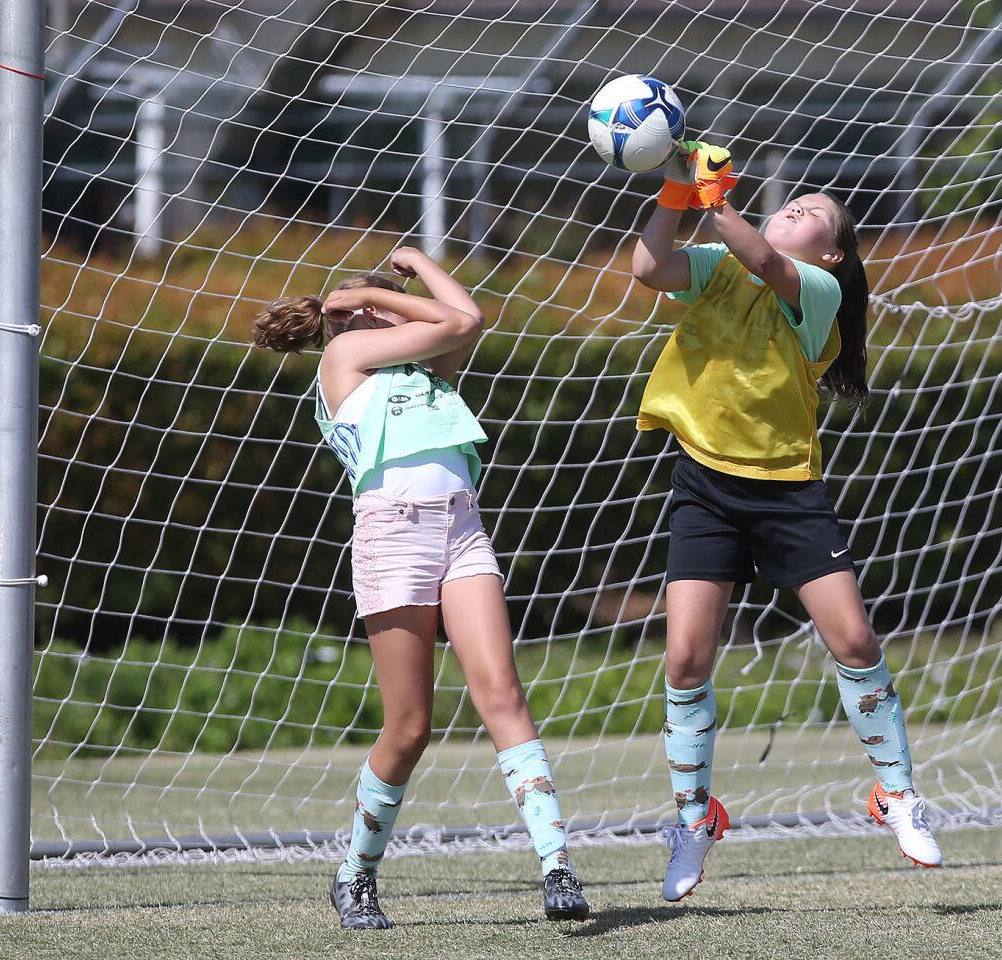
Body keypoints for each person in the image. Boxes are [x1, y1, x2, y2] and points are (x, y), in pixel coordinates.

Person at [630, 142, 943, 902]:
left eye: (809, 214)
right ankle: (692, 820)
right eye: (788, 204)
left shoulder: (816, 292)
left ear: (830, 252)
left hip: (787, 491)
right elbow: (646, 269)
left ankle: (895, 797)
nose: (792, 210)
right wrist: (677, 192)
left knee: (854, 639)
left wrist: (713, 199)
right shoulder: (714, 265)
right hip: (704, 484)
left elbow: (768, 264)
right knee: (684, 661)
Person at [250, 247, 590, 928]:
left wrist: (413, 263)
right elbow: (458, 316)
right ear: (346, 321)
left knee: (501, 693)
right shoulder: (342, 362)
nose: (384, 315)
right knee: (409, 729)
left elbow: (462, 318)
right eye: (365, 308)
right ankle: (356, 876)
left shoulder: (428, 367)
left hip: (462, 530)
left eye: (385, 307)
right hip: (393, 536)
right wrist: (369, 302)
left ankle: (557, 865)